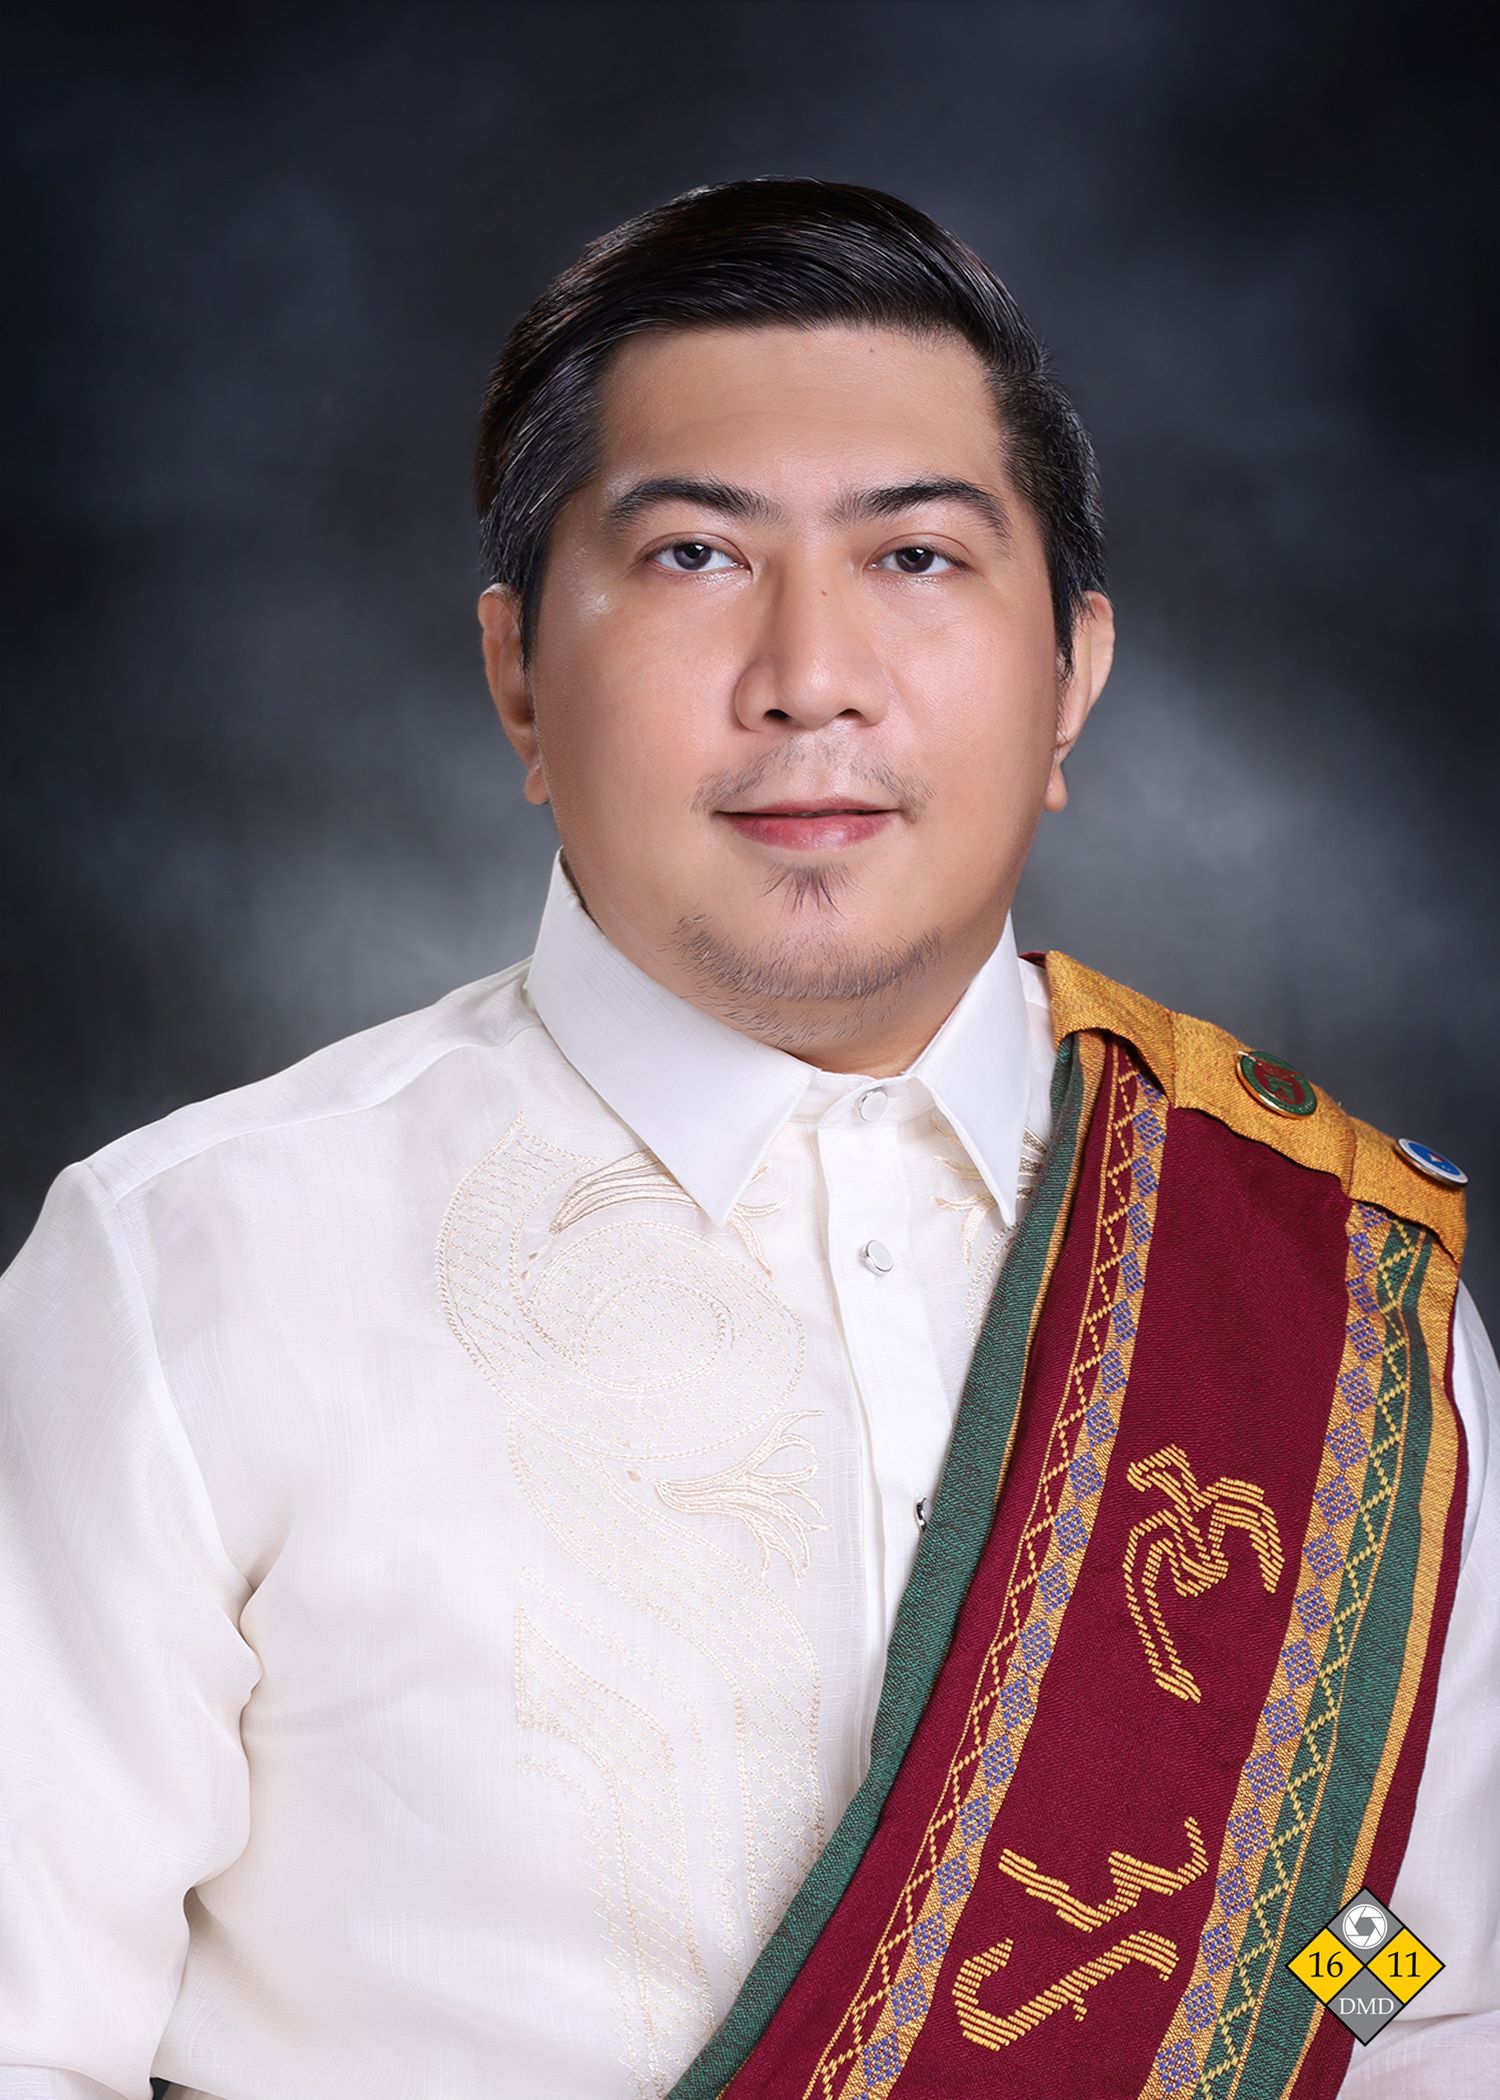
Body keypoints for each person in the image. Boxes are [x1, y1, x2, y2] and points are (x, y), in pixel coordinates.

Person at [1, 178, 1494, 2100]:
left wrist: (1378, 2000)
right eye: (696, 554)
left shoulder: (1333, 1300)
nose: (811, 673)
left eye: (918, 558)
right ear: (518, 671)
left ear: (1074, 675)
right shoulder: (186, 1273)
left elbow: (1423, 1992)